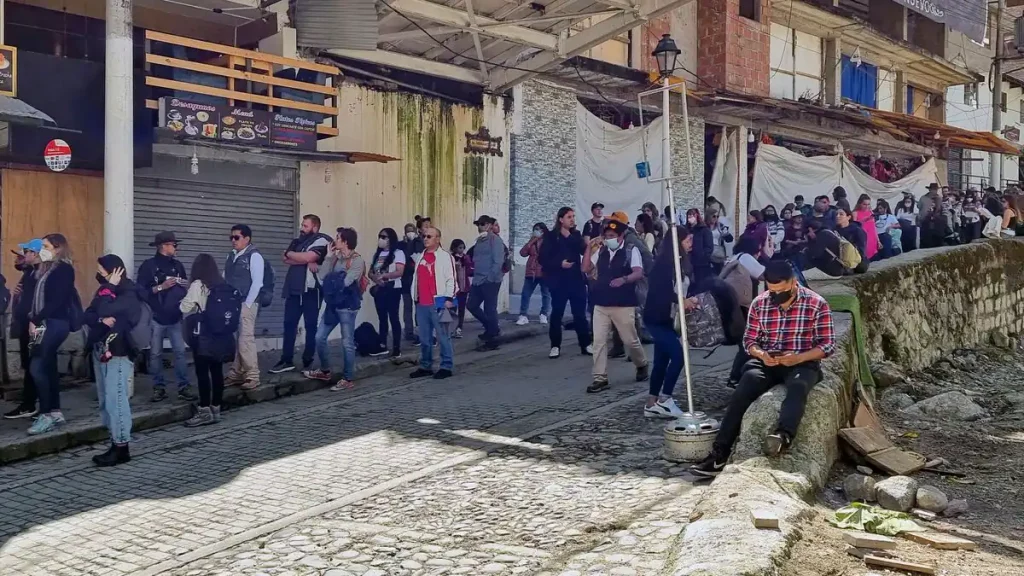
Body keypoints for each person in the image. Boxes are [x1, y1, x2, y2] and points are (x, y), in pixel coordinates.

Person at [691, 261, 835, 477]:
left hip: (802, 360)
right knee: (745, 386)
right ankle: (719, 452)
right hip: (768, 360)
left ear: (794, 282)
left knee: (798, 387)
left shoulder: (816, 303)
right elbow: (749, 341)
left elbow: (827, 344)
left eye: (782, 291)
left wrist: (798, 357)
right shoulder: (761, 303)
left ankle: (783, 435)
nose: (776, 296)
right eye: (772, 291)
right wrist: (762, 355)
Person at [84, 254, 142, 466]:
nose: (99, 274)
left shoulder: (129, 292)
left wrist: (108, 289)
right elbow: (89, 314)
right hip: (101, 349)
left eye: (102, 270)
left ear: (115, 271)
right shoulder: (106, 290)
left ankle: (121, 447)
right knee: (105, 401)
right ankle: (114, 441)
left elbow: (107, 309)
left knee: (116, 400)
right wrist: (101, 318)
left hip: (118, 351)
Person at [582, 219, 649, 393]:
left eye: (612, 236)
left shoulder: (630, 250)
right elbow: (586, 268)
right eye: (606, 236)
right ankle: (600, 378)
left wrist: (624, 279)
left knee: (630, 340)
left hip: (623, 304)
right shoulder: (602, 251)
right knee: (599, 341)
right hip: (601, 303)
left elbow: (638, 272)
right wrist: (589, 248)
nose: (608, 238)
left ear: (620, 237)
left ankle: (641, 364)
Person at [26, 234, 78, 436]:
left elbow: (56, 300)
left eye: (46, 246)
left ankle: (46, 414)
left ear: (58, 248)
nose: (42, 250)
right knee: (47, 366)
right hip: (46, 322)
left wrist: (36, 319)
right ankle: (55, 411)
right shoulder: (45, 269)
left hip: (54, 323)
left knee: (37, 366)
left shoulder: (64, 269)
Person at [303, 228, 366, 390]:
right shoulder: (335, 258)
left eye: (338, 238)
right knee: (319, 337)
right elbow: (323, 277)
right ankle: (325, 370)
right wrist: (329, 259)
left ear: (345, 241)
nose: (334, 240)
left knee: (347, 342)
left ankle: (348, 378)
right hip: (332, 304)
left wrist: (333, 281)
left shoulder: (357, 261)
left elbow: (345, 283)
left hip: (347, 306)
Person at [136, 231, 194, 402]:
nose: (177, 248)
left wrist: (185, 285)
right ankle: (158, 388)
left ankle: (184, 387)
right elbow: (141, 291)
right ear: (164, 246)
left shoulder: (178, 265)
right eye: (174, 245)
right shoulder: (148, 266)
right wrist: (161, 287)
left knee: (180, 353)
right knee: (155, 354)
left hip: (176, 315)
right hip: (156, 317)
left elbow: (185, 287)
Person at [643, 229, 693, 419]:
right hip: (657, 317)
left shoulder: (681, 262)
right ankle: (665, 398)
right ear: (678, 242)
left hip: (669, 319)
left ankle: (651, 402)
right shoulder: (662, 265)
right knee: (678, 356)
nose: (690, 244)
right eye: (688, 240)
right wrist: (682, 300)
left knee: (661, 361)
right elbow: (661, 292)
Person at [272, 215, 332, 374]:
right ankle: (286, 360)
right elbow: (285, 259)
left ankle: (308, 360)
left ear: (315, 227)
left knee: (310, 326)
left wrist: (298, 256)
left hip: (311, 291)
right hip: (294, 289)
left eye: (305, 226)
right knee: (289, 324)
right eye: (302, 225)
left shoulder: (322, 240)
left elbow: (307, 256)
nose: (302, 228)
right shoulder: (298, 241)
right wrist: (304, 258)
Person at [180, 254, 233, 427]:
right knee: (217, 372)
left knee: (202, 373)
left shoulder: (197, 285)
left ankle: (204, 411)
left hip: (203, 334)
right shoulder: (222, 283)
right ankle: (215, 409)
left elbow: (184, 307)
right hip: (221, 334)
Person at [540, 207, 593, 359]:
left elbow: (583, 250)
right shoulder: (550, 237)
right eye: (569, 217)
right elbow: (543, 258)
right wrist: (559, 264)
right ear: (561, 219)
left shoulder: (575, 235)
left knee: (580, 315)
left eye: (573, 216)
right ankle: (555, 345)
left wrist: (569, 236)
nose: (572, 219)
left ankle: (585, 344)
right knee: (557, 314)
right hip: (558, 282)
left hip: (576, 281)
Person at [409, 226, 457, 379]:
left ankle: (446, 366)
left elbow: (451, 278)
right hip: (421, 302)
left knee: (443, 336)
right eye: (424, 236)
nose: (425, 239)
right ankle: (425, 365)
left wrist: (449, 299)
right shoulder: (421, 256)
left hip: (439, 302)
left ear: (437, 239)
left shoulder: (445, 257)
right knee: (424, 337)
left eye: (429, 236)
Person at [224, 224, 264, 390]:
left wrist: (247, 304)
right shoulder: (232, 255)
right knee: (240, 339)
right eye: (231, 237)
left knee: (245, 339)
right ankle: (236, 373)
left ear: (247, 239)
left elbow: (257, 283)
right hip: (233, 303)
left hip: (247, 303)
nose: (233, 240)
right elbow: (225, 277)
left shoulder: (254, 257)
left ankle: (252, 375)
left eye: (237, 237)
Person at [4, 241, 41, 419]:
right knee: (30, 365)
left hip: (32, 327)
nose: (18, 259)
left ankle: (31, 404)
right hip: (25, 326)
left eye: (21, 255)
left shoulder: (36, 274)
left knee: (35, 365)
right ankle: (33, 403)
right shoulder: (28, 274)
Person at [466, 215, 506, 350]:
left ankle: (493, 338)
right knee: (471, 305)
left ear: (489, 225)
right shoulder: (479, 241)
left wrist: (490, 278)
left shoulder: (495, 240)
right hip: (478, 280)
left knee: (490, 309)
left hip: (490, 280)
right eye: (478, 224)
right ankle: (491, 328)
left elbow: (498, 261)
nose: (480, 227)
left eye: (482, 224)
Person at [368, 227, 406, 358]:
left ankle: (397, 347)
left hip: (393, 288)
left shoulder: (398, 253)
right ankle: (382, 344)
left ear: (391, 239)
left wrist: (385, 276)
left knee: (393, 317)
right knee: (382, 318)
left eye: (384, 237)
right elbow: (371, 272)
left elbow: (400, 271)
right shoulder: (378, 254)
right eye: (380, 236)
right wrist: (375, 279)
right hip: (380, 289)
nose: (381, 239)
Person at [517, 223, 551, 326]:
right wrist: (531, 241)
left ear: (543, 231)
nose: (536, 231)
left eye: (539, 229)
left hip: (544, 271)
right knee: (525, 294)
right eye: (535, 229)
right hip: (531, 271)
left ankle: (544, 314)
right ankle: (523, 315)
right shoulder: (531, 241)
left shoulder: (549, 242)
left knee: (546, 294)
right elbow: (522, 253)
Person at [399, 222, 422, 343]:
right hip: (405, 281)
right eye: (407, 230)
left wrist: (413, 241)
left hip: (417, 282)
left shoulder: (419, 242)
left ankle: (420, 332)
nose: (409, 233)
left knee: (419, 308)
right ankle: (409, 332)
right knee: (407, 308)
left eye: (411, 230)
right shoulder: (401, 245)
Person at [686, 208, 715, 291]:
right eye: (689, 215)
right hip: (688, 263)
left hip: (701, 265)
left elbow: (709, 247)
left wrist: (702, 257)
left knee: (701, 287)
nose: (691, 217)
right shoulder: (686, 230)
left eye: (693, 215)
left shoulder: (704, 230)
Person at [835, 207, 870, 273]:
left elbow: (861, 248)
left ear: (848, 217)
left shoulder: (857, 230)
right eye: (836, 214)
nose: (837, 216)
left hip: (856, 260)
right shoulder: (834, 230)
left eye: (841, 214)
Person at [451, 239, 472, 338]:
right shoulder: (451, 258)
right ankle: (452, 327)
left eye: (463, 248)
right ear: (454, 248)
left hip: (464, 287)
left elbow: (469, 269)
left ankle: (459, 327)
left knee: (462, 308)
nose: (461, 250)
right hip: (454, 288)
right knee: (452, 308)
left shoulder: (466, 257)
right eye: (460, 248)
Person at [852, 194, 879, 261]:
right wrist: (865, 219)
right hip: (863, 238)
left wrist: (878, 240)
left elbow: (874, 227)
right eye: (864, 204)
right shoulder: (855, 213)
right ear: (860, 204)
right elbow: (854, 225)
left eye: (868, 204)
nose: (867, 206)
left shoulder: (870, 212)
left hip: (872, 238)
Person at [707, 209, 734, 274]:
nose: (716, 218)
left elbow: (729, 239)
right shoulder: (704, 226)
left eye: (717, 216)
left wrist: (726, 234)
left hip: (718, 253)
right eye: (714, 216)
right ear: (709, 216)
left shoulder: (720, 225)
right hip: (707, 253)